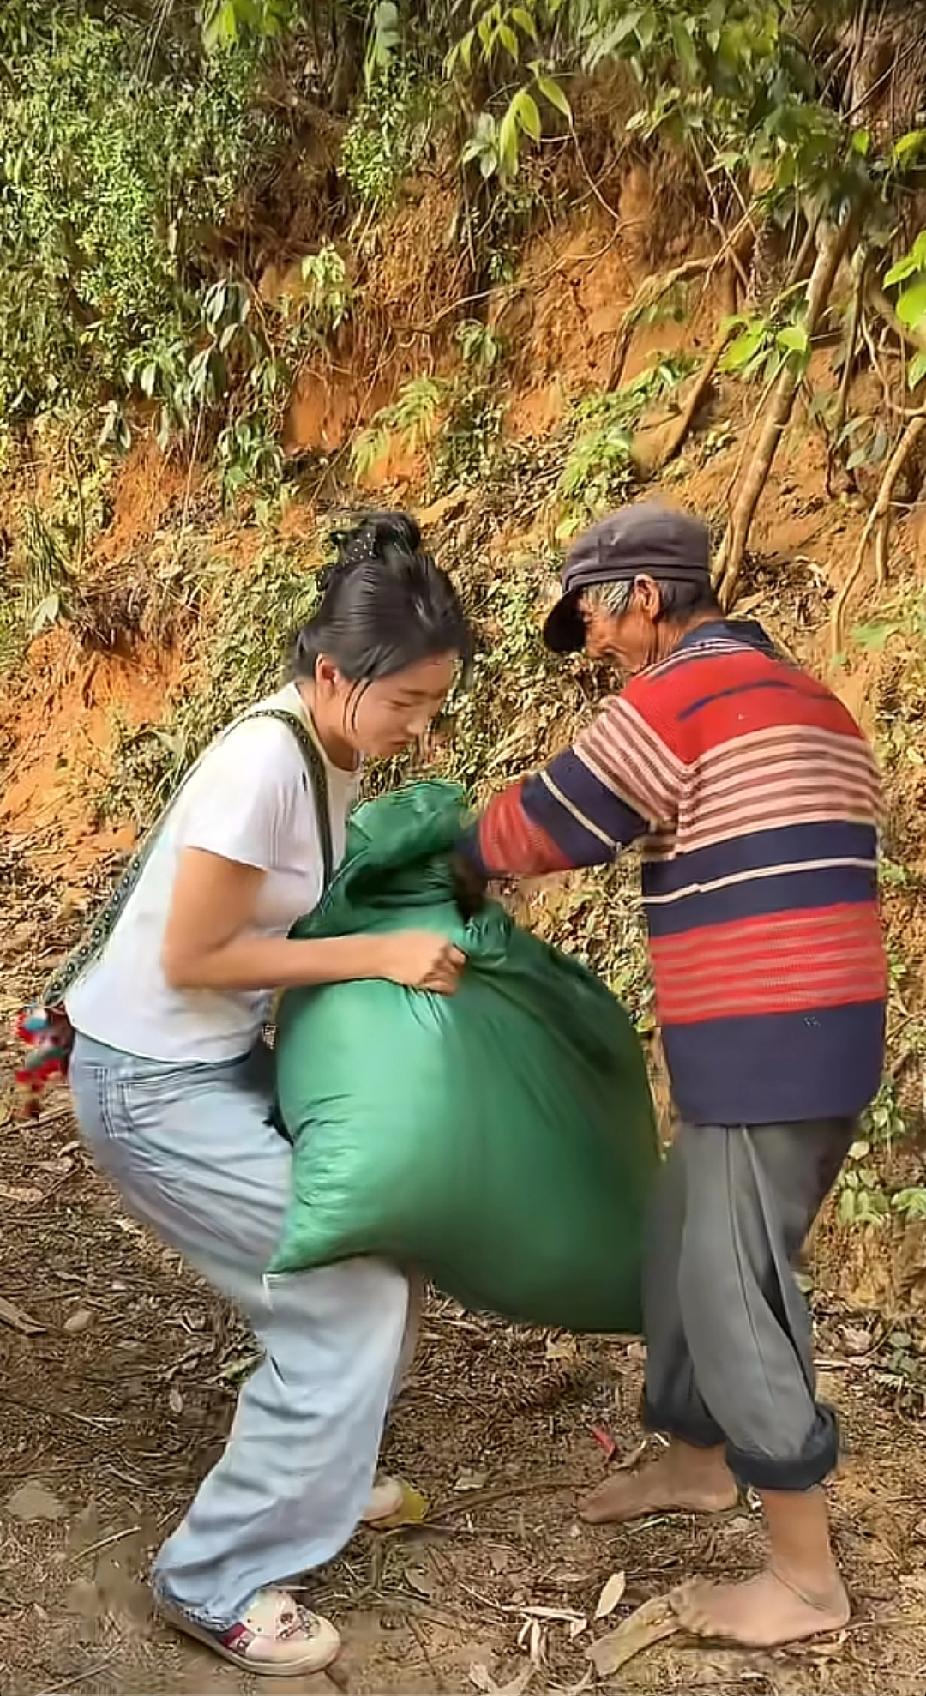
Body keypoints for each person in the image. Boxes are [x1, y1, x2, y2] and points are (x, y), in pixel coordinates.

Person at [457, 499, 886, 1649]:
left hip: (767, 1041)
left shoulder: (681, 698)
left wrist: (446, 857)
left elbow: (547, 825)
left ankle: (803, 1581)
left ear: (644, 596)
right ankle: (696, 1462)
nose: (592, 643)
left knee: (730, 1288)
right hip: (805, 1035)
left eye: (594, 617)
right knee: (682, 1237)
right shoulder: (809, 698)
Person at [64, 511, 471, 1675]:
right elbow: (194, 956)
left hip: (208, 1060)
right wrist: (374, 959)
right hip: (151, 1081)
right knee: (343, 1290)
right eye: (405, 704)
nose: (417, 728)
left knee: (381, 1241)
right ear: (336, 673)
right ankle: (213, 1576)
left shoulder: (323, 749)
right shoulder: (261, 765)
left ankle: (323, 1468)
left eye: (433, 705)